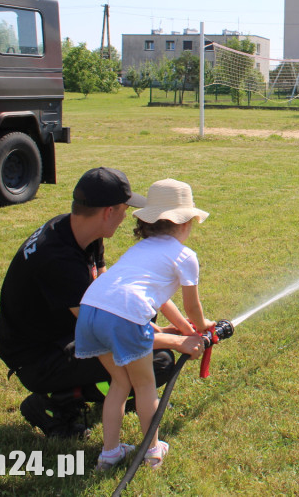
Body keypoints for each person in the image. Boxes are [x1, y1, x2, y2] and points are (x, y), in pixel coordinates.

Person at [0, 167, 204, 439]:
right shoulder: (57, 259)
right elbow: (104, 328)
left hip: (69, 333)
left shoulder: (79, 232)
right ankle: (56, 401)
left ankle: (105, 394)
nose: (126, 218)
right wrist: (176, 342)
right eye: (124, 209)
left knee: (145, 321)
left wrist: (164, 332)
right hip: (40, 359)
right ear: (109, 211)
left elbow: (111, 299)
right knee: (159, 362)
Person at [75, 179, 213, 470]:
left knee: (120, 383)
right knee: (145, 385)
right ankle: (152, 450)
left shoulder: (140, 250)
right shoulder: (185, 256)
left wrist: (188, 330)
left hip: (91, 310)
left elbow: (163, 301)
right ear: (187, 222)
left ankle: (110, 453)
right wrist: (203, 325)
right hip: (125, 316)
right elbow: (192, 307)